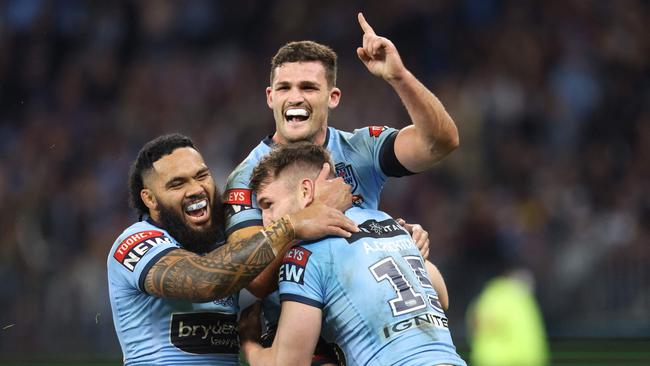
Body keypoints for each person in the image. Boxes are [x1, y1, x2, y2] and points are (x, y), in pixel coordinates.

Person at [224, 12, 458, 339]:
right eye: (285, 88)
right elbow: (254, 279)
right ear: (270, 97)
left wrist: (399, 76)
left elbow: (441, 142)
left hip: (370, 327)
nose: (295, 98)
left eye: (308, 87)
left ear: (332, 97)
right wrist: (312, 215)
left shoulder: (360, 149)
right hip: (303, 340)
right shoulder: (247, 176)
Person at [107, 134, 357, 365]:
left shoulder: (222, 240)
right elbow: (203, 281)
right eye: (177, 184)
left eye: (202, 175)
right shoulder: (134, 244)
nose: (196, 189)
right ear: (149, 199)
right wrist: (291, 225)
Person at [238, 143, 466, 366]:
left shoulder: (303, 255)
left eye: (268, 204)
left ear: (306, 191)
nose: (265, 221)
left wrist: (249, 343)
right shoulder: (387, 222)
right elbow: (441, 296)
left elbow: (289, 363)